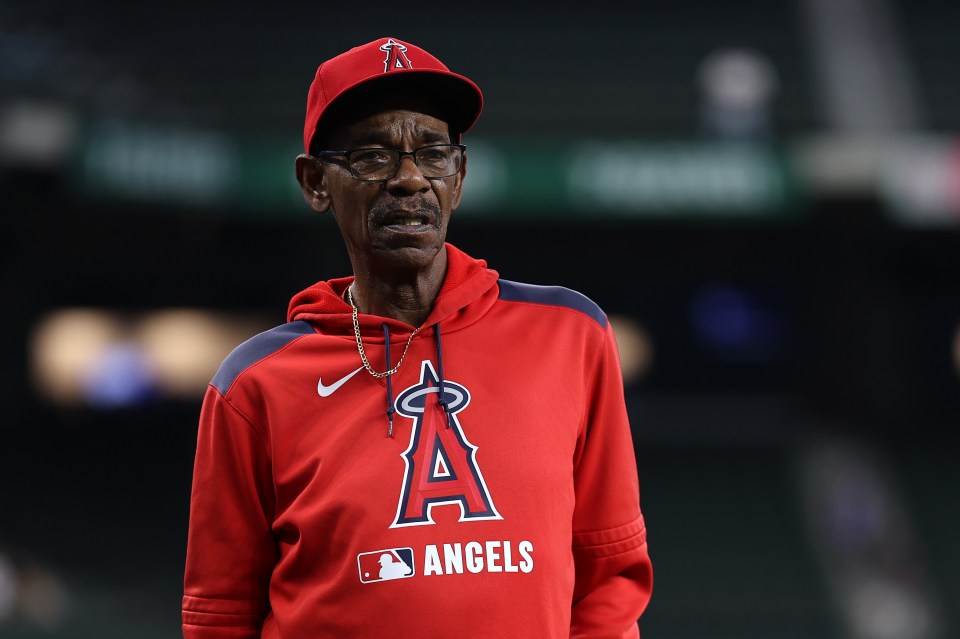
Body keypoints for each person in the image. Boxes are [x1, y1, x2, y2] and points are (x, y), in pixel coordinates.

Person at [182, 36, 653, 638]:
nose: (410, 179)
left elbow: (608, 577)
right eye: (372, 156)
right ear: (316, 182)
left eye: (433, 154)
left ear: (459, 177)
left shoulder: (570, 333)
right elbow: (220, 616)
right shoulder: (254, 383)